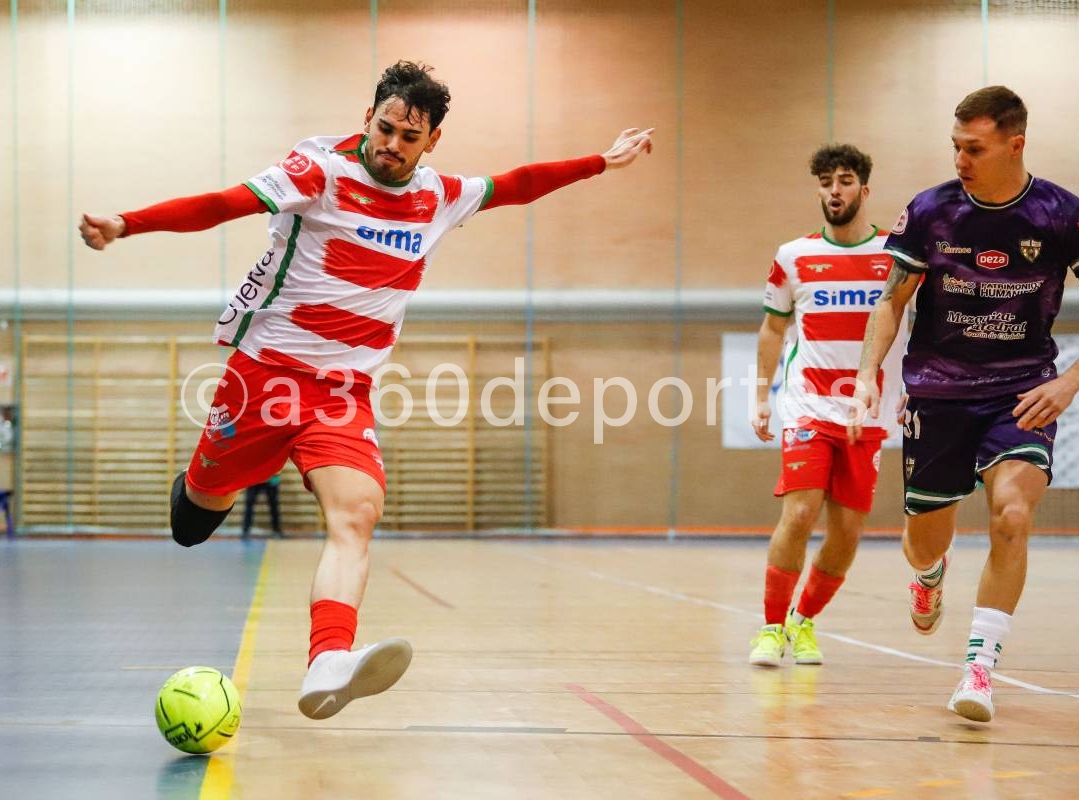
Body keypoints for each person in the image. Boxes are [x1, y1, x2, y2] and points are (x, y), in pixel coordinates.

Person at [80, 61, 653, 720]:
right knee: (192, 522)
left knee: (357, 515)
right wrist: (126, 223)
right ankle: (198, 487)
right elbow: (223, 204)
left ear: (431, 141)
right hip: (263, 378)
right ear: (368, 118)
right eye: (385, 129)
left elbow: (518, 184)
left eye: (410, 138)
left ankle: (328, 661)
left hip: (344, 394)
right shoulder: (317, 174)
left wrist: (602, 163)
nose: (392, 145)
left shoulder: (439, 195)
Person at [850, 86, 1079, 722]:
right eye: (955, 147)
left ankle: (979, 668)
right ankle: (930, 571)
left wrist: (1073, 379)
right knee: (922, 541)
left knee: (1012, 517)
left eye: (973, 148)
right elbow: (890, 301)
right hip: (938, 393)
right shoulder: (929, 211)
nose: (961, 159)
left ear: (1014, 143)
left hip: (1021, 393)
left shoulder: (1060, 213)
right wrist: (868, 373)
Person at [748, 144, 907, 667]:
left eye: (843, 181)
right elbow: (773, 328)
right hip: (810, 408)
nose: (833, 191)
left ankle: (804, 622)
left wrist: (917, 388)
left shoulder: (897, 255)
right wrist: (761, 397)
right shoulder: (793, 256)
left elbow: (919, 327)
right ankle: (771, 629)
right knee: (799, 513)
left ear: (865, 188)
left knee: (847, 533)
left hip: (871, 415)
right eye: (824, 182)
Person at [241, 473, 284, 539]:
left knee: (274, 504)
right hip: (254, 477)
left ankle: (277, 530)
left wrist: (275, 478)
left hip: (270, 477)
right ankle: (245, 530)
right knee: (249, 503)